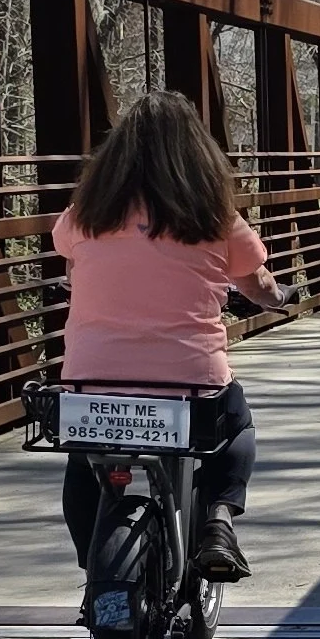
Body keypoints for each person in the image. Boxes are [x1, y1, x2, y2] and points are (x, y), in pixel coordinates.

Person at [51, 92, 284, 582]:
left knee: (83, 458)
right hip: (189, 383)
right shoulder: (214, 217)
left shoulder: (85, 215)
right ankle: (219, 520)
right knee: (237, 426)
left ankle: (97, 567)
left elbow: (73, 263)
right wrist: (277, 297)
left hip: (93, 380)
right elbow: (257, 284)